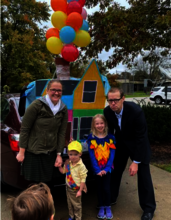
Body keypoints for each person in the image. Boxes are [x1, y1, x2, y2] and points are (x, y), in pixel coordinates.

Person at [103, 87, 156, 220]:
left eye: (116, 100)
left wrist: (136, 162)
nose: (113, 103)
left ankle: (148, 208)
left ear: (123, 99)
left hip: (138, 145)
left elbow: (141, 138)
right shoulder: (107, 111)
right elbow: (109, 132)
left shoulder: (136, 112)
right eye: (110, 100)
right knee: (115, 171)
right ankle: (111, 198)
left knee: (144, 176)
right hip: (121, 144)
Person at [16, 79, 68, 188]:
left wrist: (59, 154)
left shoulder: (63, 109)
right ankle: (35, 205)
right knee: (34, 187)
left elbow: (61, 132)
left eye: (59, 91)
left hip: (51, 153)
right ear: (47, 90)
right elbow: (25, 129)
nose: (57, 93)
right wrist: (21, 152)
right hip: (34, 152)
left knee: (48, 186)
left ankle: (45, 205)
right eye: (53, 90)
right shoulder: (36, 105)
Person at [87, 114, 116, 220]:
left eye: (101, 123)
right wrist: (97, 169)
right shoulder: (91, 138)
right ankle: (101, 206)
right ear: (93, 125)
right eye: (97, 123)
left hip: (107, 169)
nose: (99, 125)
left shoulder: (111, 137)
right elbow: (92, 155)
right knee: (99, 189)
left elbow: (112, 155)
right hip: (97, 170)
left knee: (107, 189)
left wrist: (107, 169)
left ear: (105, 124)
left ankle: (108, 206)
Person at [58, 141, 88, 220]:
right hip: (68, 188)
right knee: (70, 204)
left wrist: (80, 190)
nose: (73, 156)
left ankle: (78, 218)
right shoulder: (68, 163)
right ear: (68, 154)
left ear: (80, 154)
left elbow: (83, 180)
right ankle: (71, 216)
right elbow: (63, 171)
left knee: (77, 205)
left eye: (75, 154)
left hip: (76, 190)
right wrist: (59, 167)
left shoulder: (81, 166)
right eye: (71, 154)